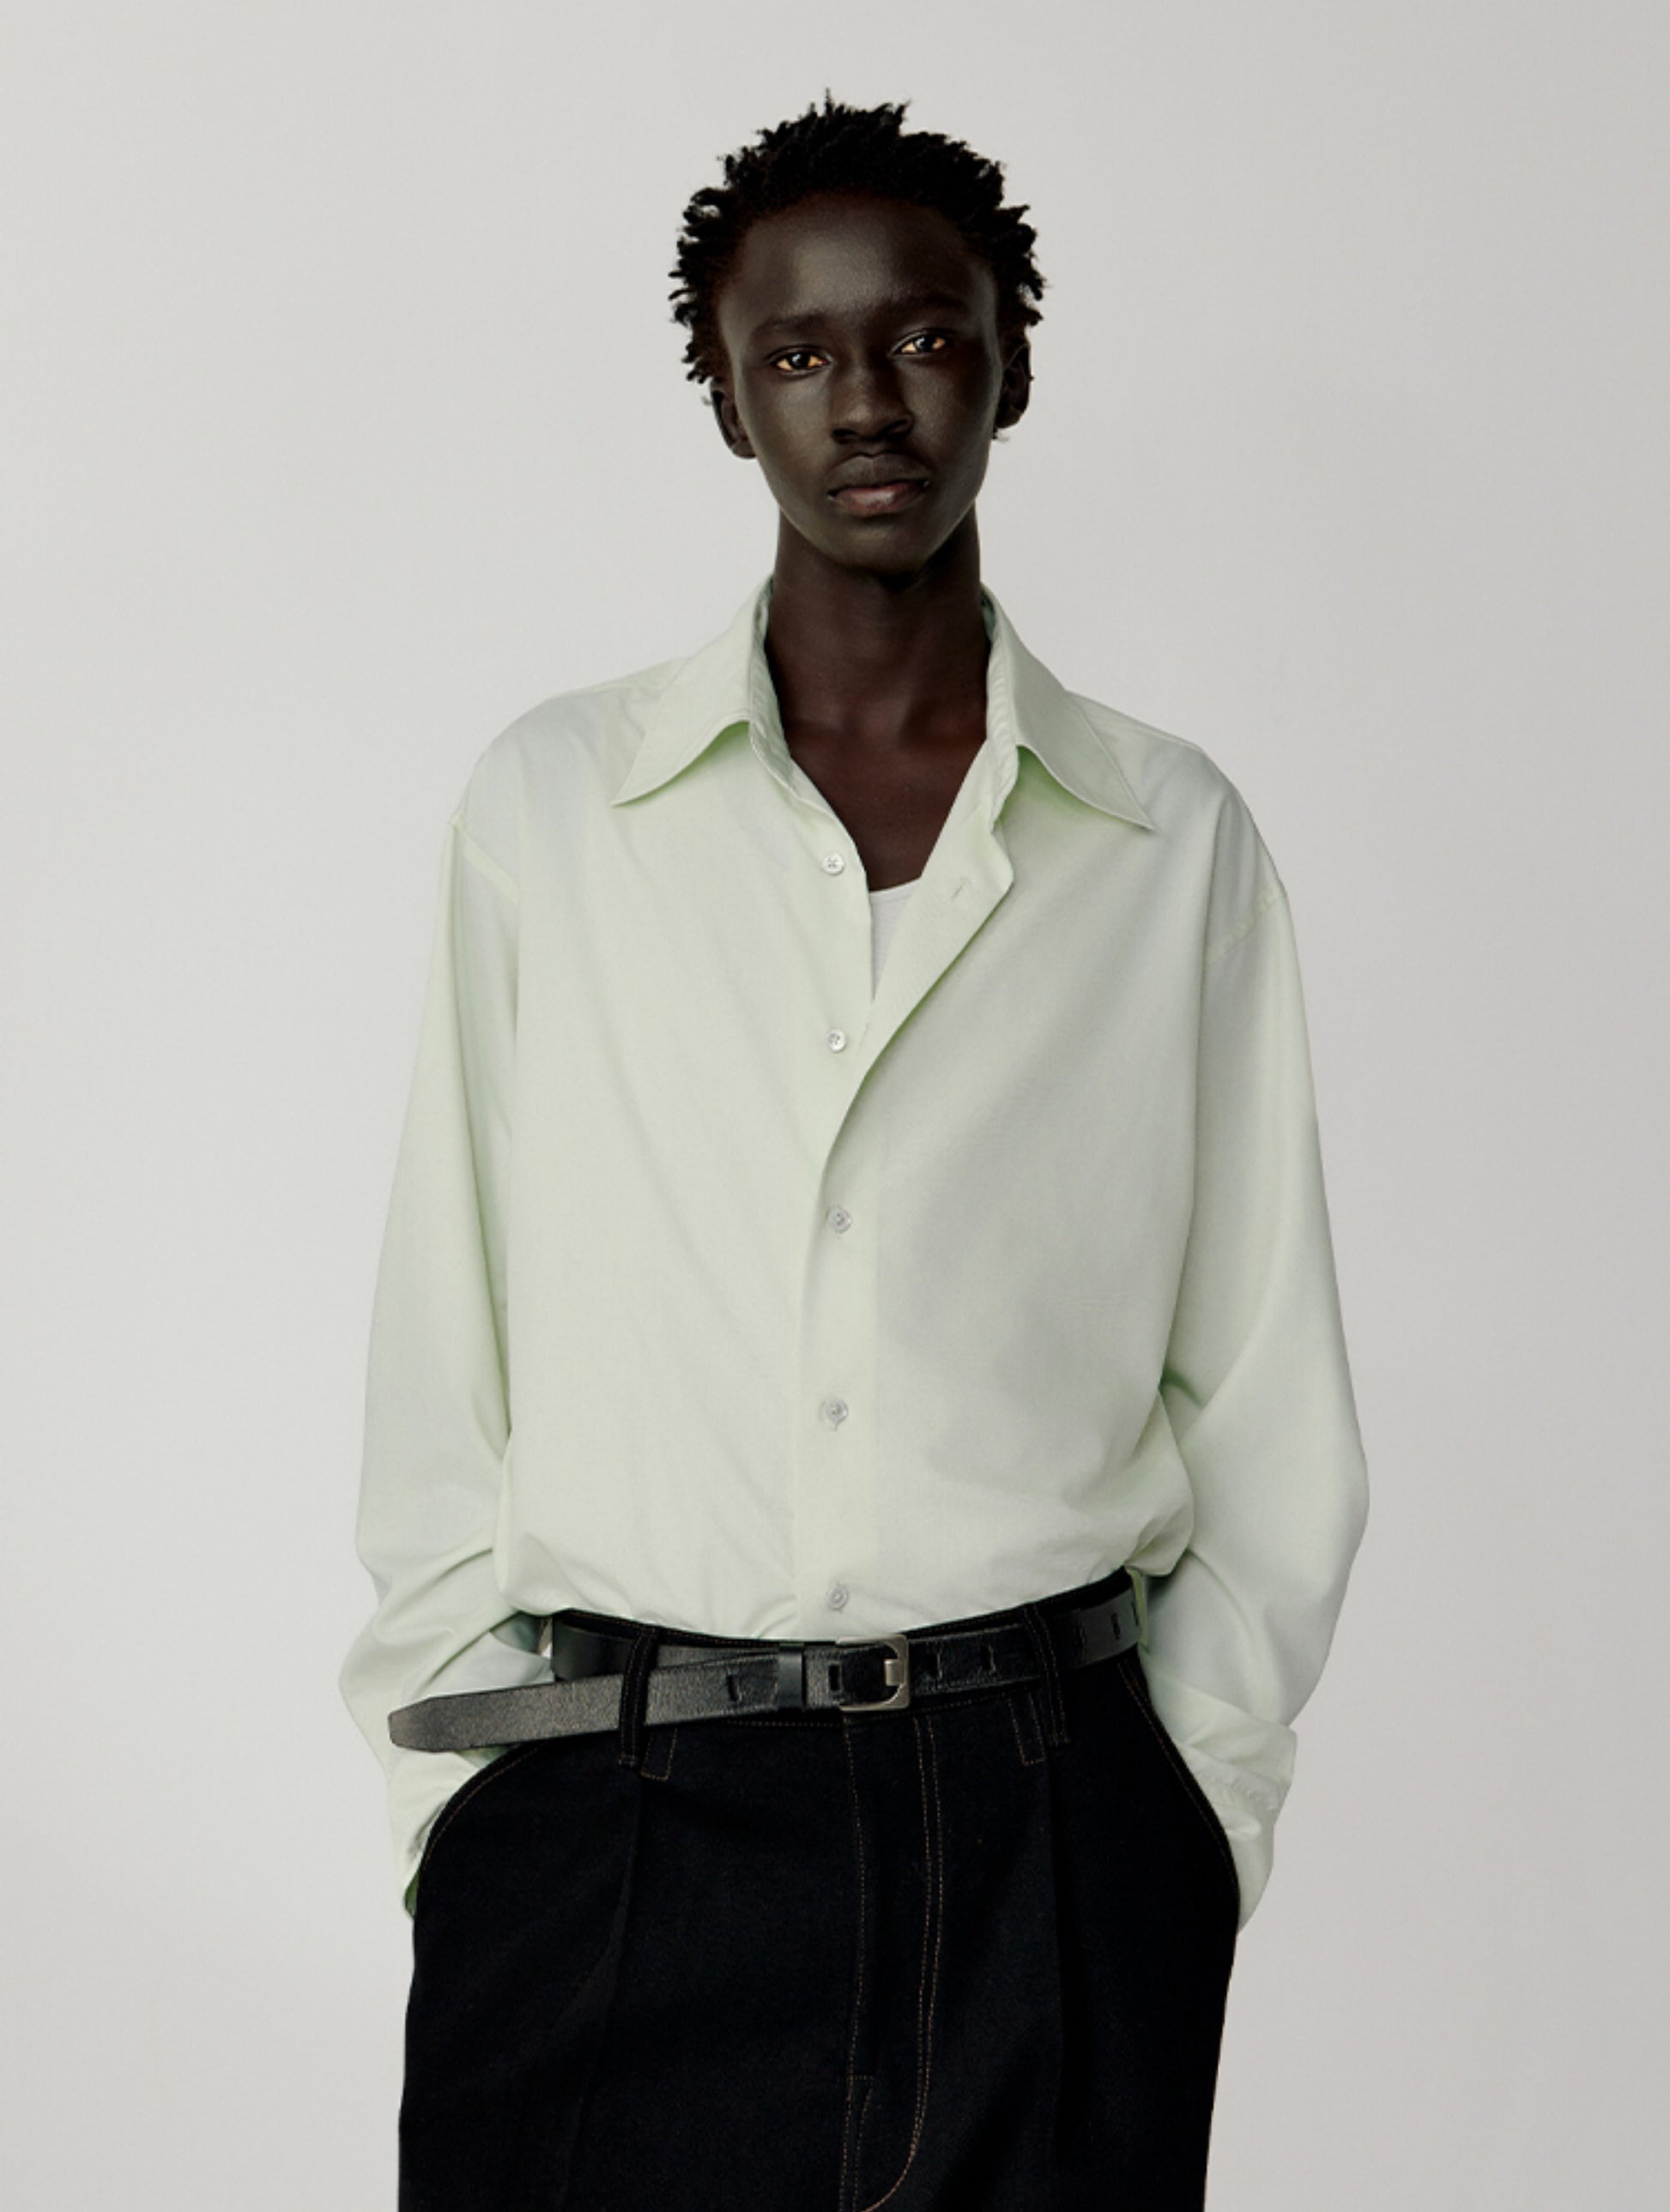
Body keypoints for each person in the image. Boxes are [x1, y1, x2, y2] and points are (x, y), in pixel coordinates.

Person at [341, 94, 1370, 2212]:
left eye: (922, 335)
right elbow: (450, 1321)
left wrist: (1188, 1816)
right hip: (613, 1823)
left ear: (1010, 362)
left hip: (1050, 1828)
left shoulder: (1164, 838)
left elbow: (1263, 1373)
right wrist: (465, 1801)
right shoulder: (556, 811)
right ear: (726, 395)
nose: (867, 401)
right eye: (797, 352)